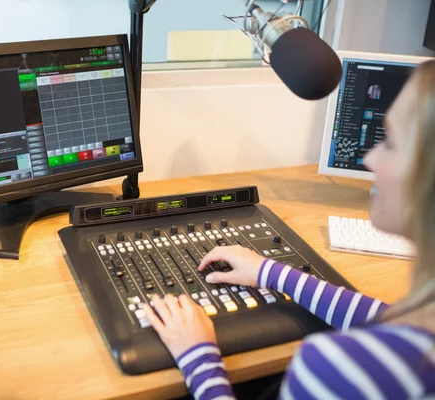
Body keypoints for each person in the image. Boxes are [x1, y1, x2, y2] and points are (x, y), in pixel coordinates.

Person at [143, 61, 435, 399]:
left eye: (392, 143)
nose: (370, 159)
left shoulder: (335, 367)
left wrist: (198, 357)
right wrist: (273, 273)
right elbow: (386, 317)